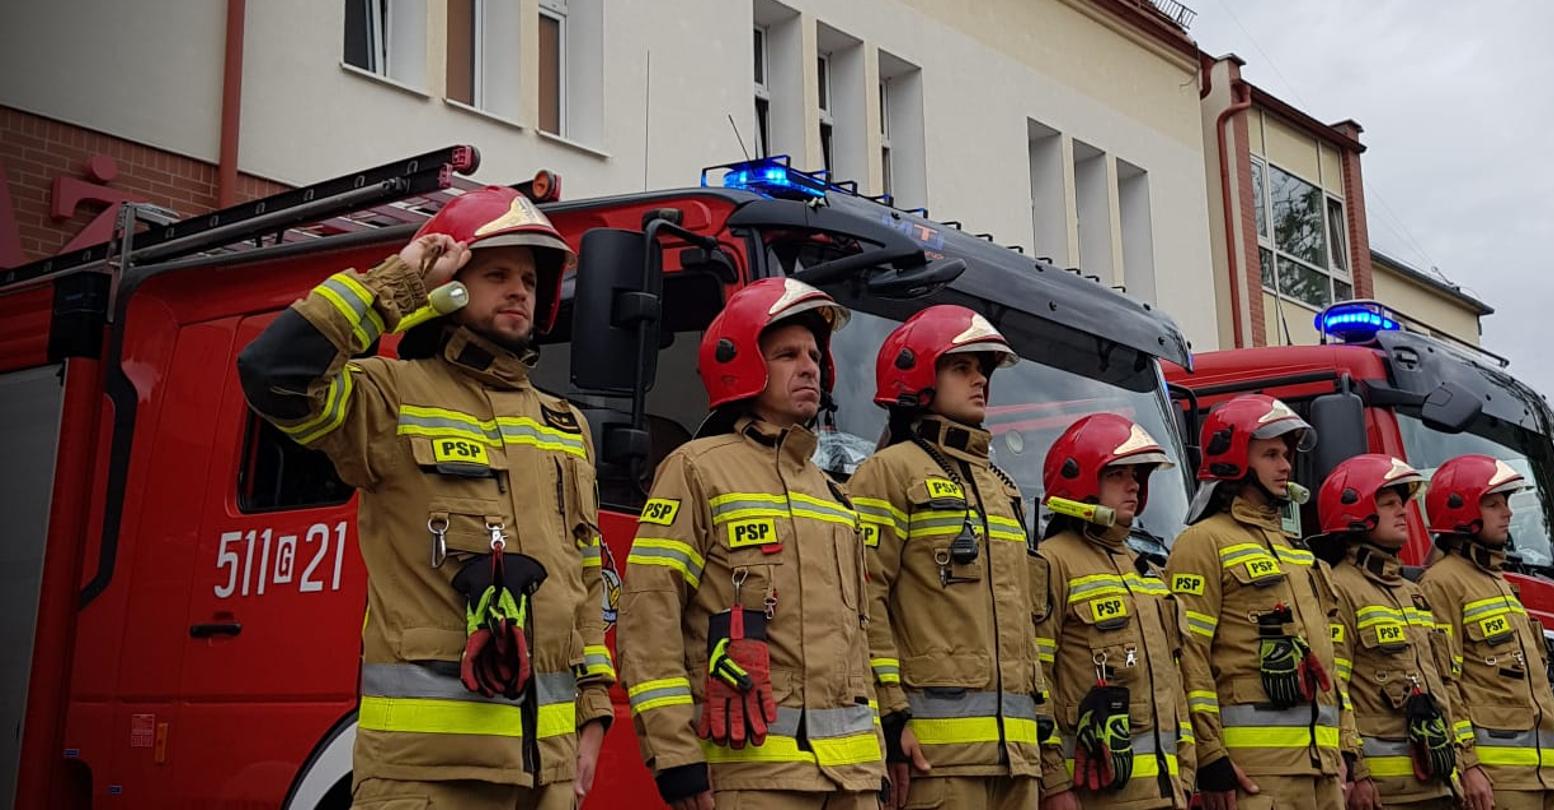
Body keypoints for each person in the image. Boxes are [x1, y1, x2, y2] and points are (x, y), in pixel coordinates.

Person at [237, 186, 613, 809]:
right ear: (450, 286)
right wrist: (399, 282)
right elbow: (274, 373)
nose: (520, 289)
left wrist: (593, 714)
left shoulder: (564, 425)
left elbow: (585, 576)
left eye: (528, 277)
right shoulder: (390, 396)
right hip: (427, 776)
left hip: (546, 778)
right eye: (496, 273)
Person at [618, 278, 884, 810]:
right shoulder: (696, 469)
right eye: (787, 354)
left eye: (813, 354)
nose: (809, 366)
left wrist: (874, 766)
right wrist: (674, 757)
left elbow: (859, 644)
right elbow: (649, 617)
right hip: (750, 777)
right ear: (740, 362)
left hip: (851, 781)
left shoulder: (833, 495)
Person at [847, 305, 1043, 810]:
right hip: (935, 762)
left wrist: (1044, 746)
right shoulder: (887, 473)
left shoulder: (1002, 488)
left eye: (984, 370)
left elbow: (1025, 627)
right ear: (918, 374)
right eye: (962, 367)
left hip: (1016, 762)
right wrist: (890, 720)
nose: (980, 380)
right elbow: (864, 601)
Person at [1164, 394, 1360, 810]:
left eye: (1287, 454)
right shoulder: (1202, 542)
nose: (1286, 465)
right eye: (1271, 454)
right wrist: (1210, 755)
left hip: (1323, 774)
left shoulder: (1297, 552)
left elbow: (1328, 660)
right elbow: (1187, 658)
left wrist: (1346, 747)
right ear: (1233, 459)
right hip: (1256, 777)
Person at [1032, 414, 1196, 809]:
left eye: (1138, 475)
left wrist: (1188, 769)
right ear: (1082, 479)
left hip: (1166, 792)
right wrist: (1054, 783)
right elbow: (1034, 677)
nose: (1134, 485)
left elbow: (1175, 683)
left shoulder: (1147, 571)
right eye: (1118, 474)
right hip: (1098, 794)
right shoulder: (1052, 562)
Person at [1315, 455, 1491, 810]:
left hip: (1440, 782)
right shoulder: (1339, 587)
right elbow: (1336, 690)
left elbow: (1445, 686)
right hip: (1387, 793)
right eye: (1389, 503)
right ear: (1357, 508)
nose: (1403, 513)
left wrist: (1466, 763)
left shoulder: (1413, 594)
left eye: (1403, 504)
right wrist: (1358, 772)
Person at [1419, 455, 1554, 810]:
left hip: (1541, 777)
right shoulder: (1441, 583)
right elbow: (1442, 684)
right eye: (1494, 503)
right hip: (1496, 780)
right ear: (1461, 509)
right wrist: (1468, 766)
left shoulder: (1498, 582)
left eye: (1507, 503)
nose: (1508, 513)